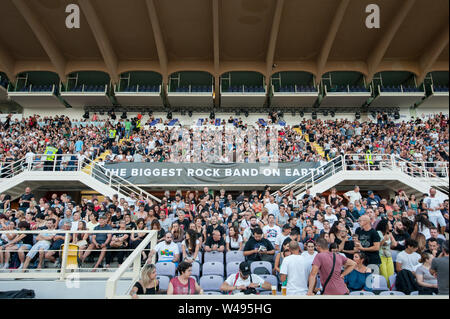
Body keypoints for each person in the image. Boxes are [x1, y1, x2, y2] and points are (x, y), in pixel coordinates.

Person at [375, 219, 395, 286]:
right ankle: (385, 290)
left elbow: (394, 244)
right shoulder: (378, 233)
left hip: (389, 256)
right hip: (381, 256)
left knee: (391, 275)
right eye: (389, 224)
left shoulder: (389, 233)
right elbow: (377, 245)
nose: (391, 225)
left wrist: (392, 237)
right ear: (385, 225)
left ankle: (390, 289)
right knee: (384, 275)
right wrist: (384, 239)